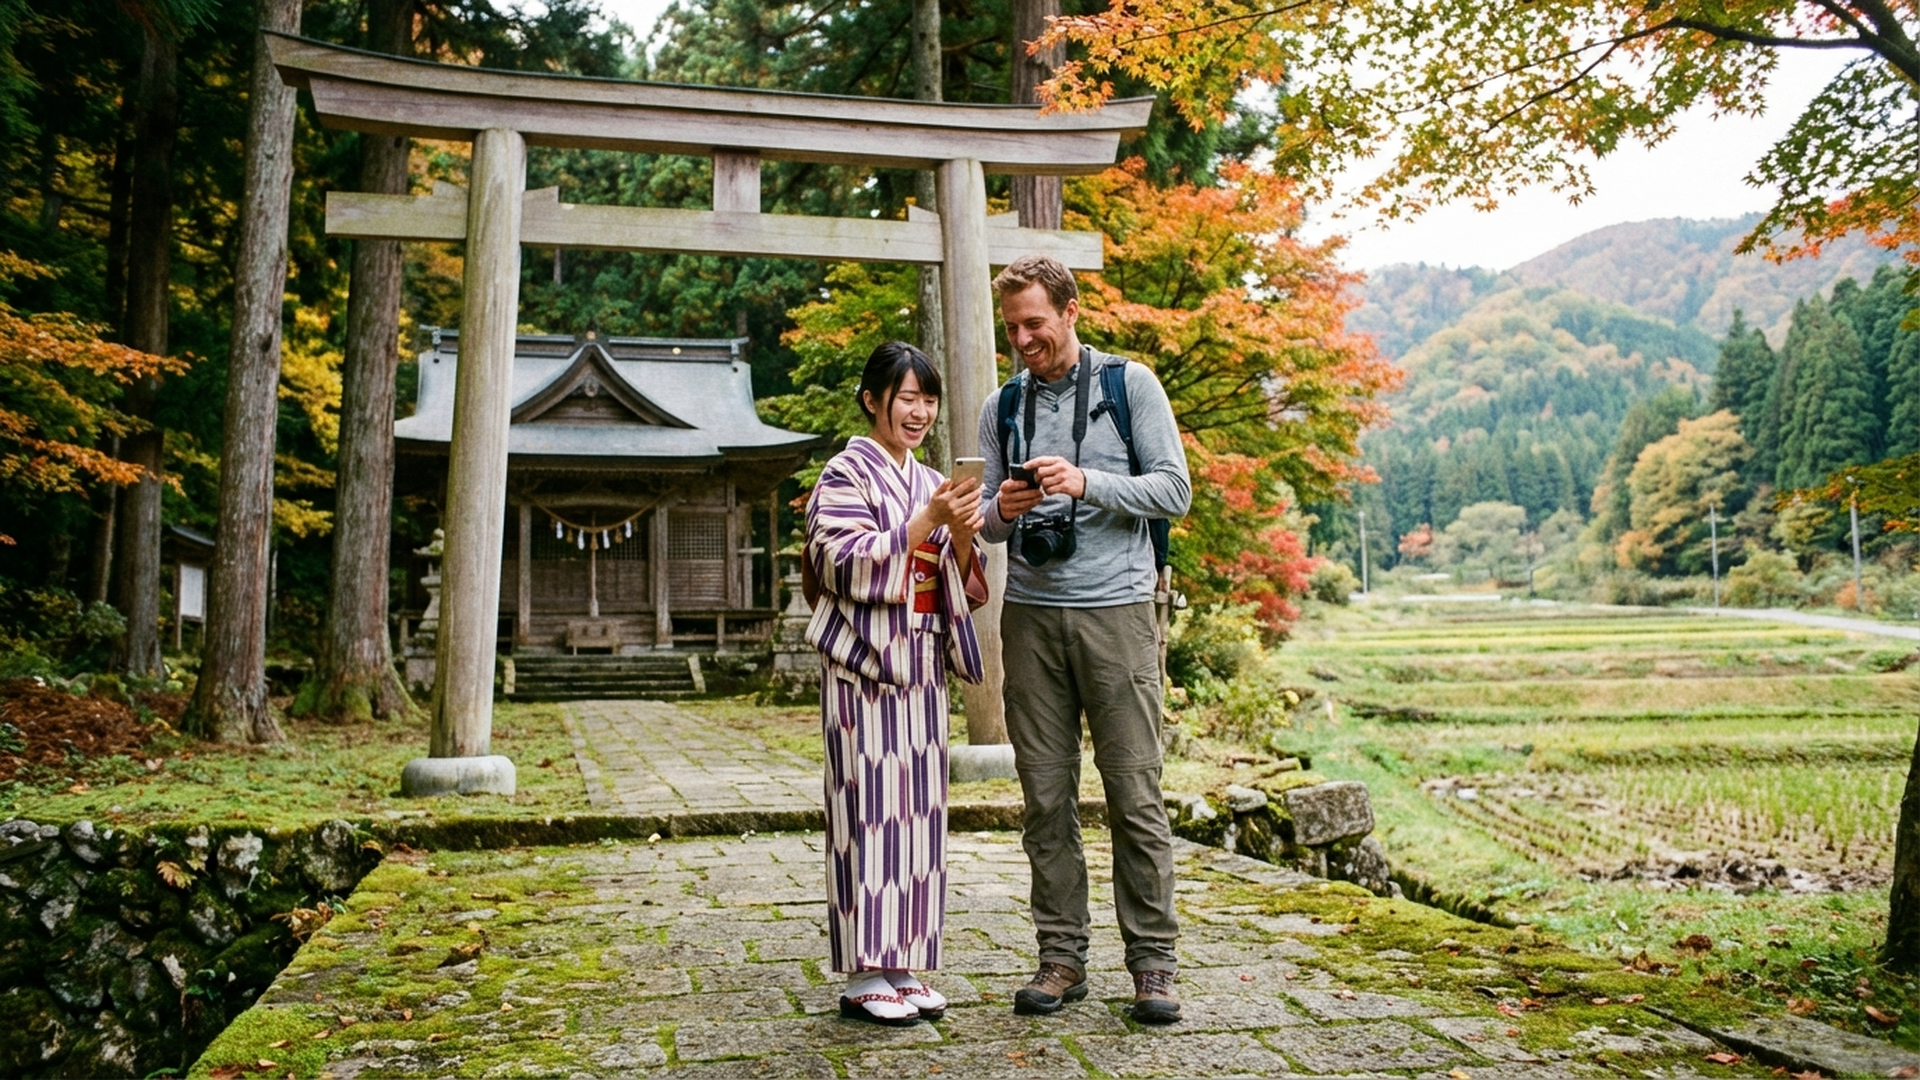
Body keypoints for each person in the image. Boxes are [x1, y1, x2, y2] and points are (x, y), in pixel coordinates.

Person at [977, 254, 1191, 1024]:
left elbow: (1175, 489)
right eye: (1012, 328)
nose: (1023, 339)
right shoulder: (1002, 404)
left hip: (1118, 612)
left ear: (1070, 310)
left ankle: (1154, 965)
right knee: (1045, 798)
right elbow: (988, 524)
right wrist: (1001, 506)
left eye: (1034, 323)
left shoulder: (1128, 387)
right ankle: (1061, 956)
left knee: (1134, 792)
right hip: (1031, 615)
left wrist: (1085, 482)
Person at [804, 341, 989, 1026]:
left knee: (918, 816)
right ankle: (862, 973)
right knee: (866, 810)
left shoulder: (930, 479)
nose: (919, 411)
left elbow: (955, 578)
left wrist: (961, 532)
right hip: (863, 666)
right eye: (907, 397)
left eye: (928, 399)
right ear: (872, 400)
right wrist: (930, 522)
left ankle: (904, 962)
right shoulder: (843, 475)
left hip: (920, 664)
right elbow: (843, 562)